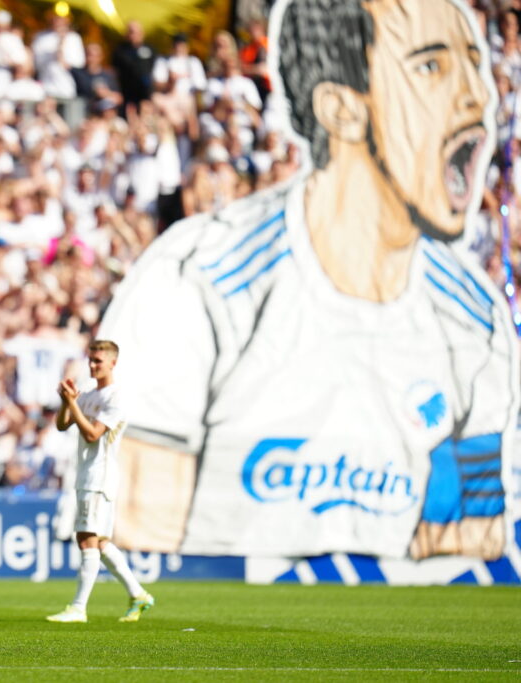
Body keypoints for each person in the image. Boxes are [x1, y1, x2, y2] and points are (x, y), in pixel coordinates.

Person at [101, 0, 517, 563]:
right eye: (431, 66)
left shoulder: (475, 323)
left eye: (476, 64)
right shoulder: (198, 283)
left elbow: (466, 553)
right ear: (341, 108)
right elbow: (138, 544)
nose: (479, 96)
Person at [46, 340, 154, 624]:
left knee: (86, 540)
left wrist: (73, 403)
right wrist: (65, 401)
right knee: (100, 542)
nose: (93, 366)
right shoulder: (91, 395)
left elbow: (93, 434)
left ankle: (78, 608)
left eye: (98, 361)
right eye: (91, 360)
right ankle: (138, 594)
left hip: (100, 474)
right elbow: (63, 424)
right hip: (87, 473)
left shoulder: (116, 397)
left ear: (113, 363)